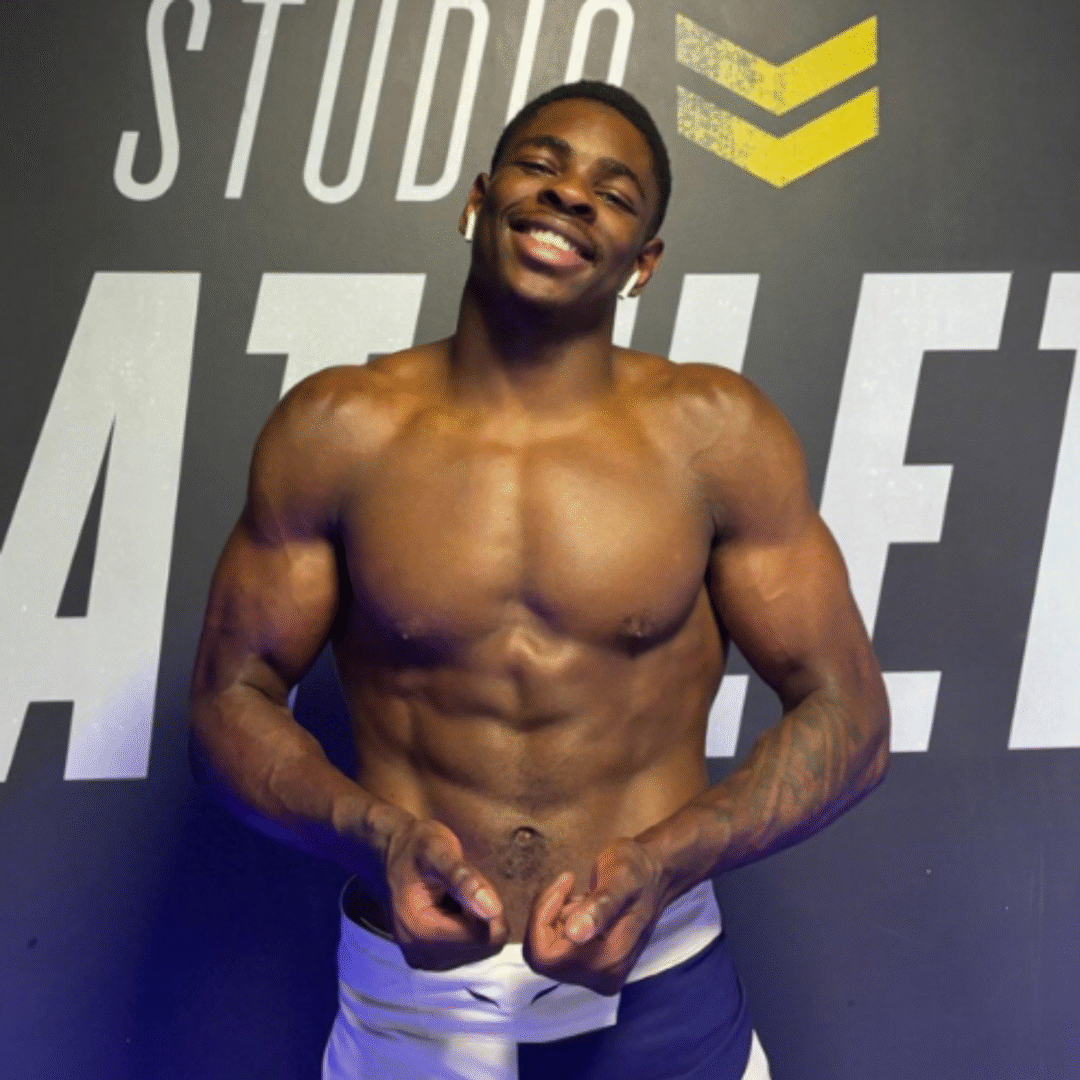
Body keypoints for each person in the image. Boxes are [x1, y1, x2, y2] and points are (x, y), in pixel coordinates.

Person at [189, 80, 889, 1080]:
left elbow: (850, 717)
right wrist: (373, 837)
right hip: (413, 1013)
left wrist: (668, 859)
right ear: (478, 200)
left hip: (663, 997)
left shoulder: (714, 435)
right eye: (542, 165)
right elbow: (229, 701)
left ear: (644, 262)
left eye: (613, 192)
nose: (570, 195)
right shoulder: (338, 430)